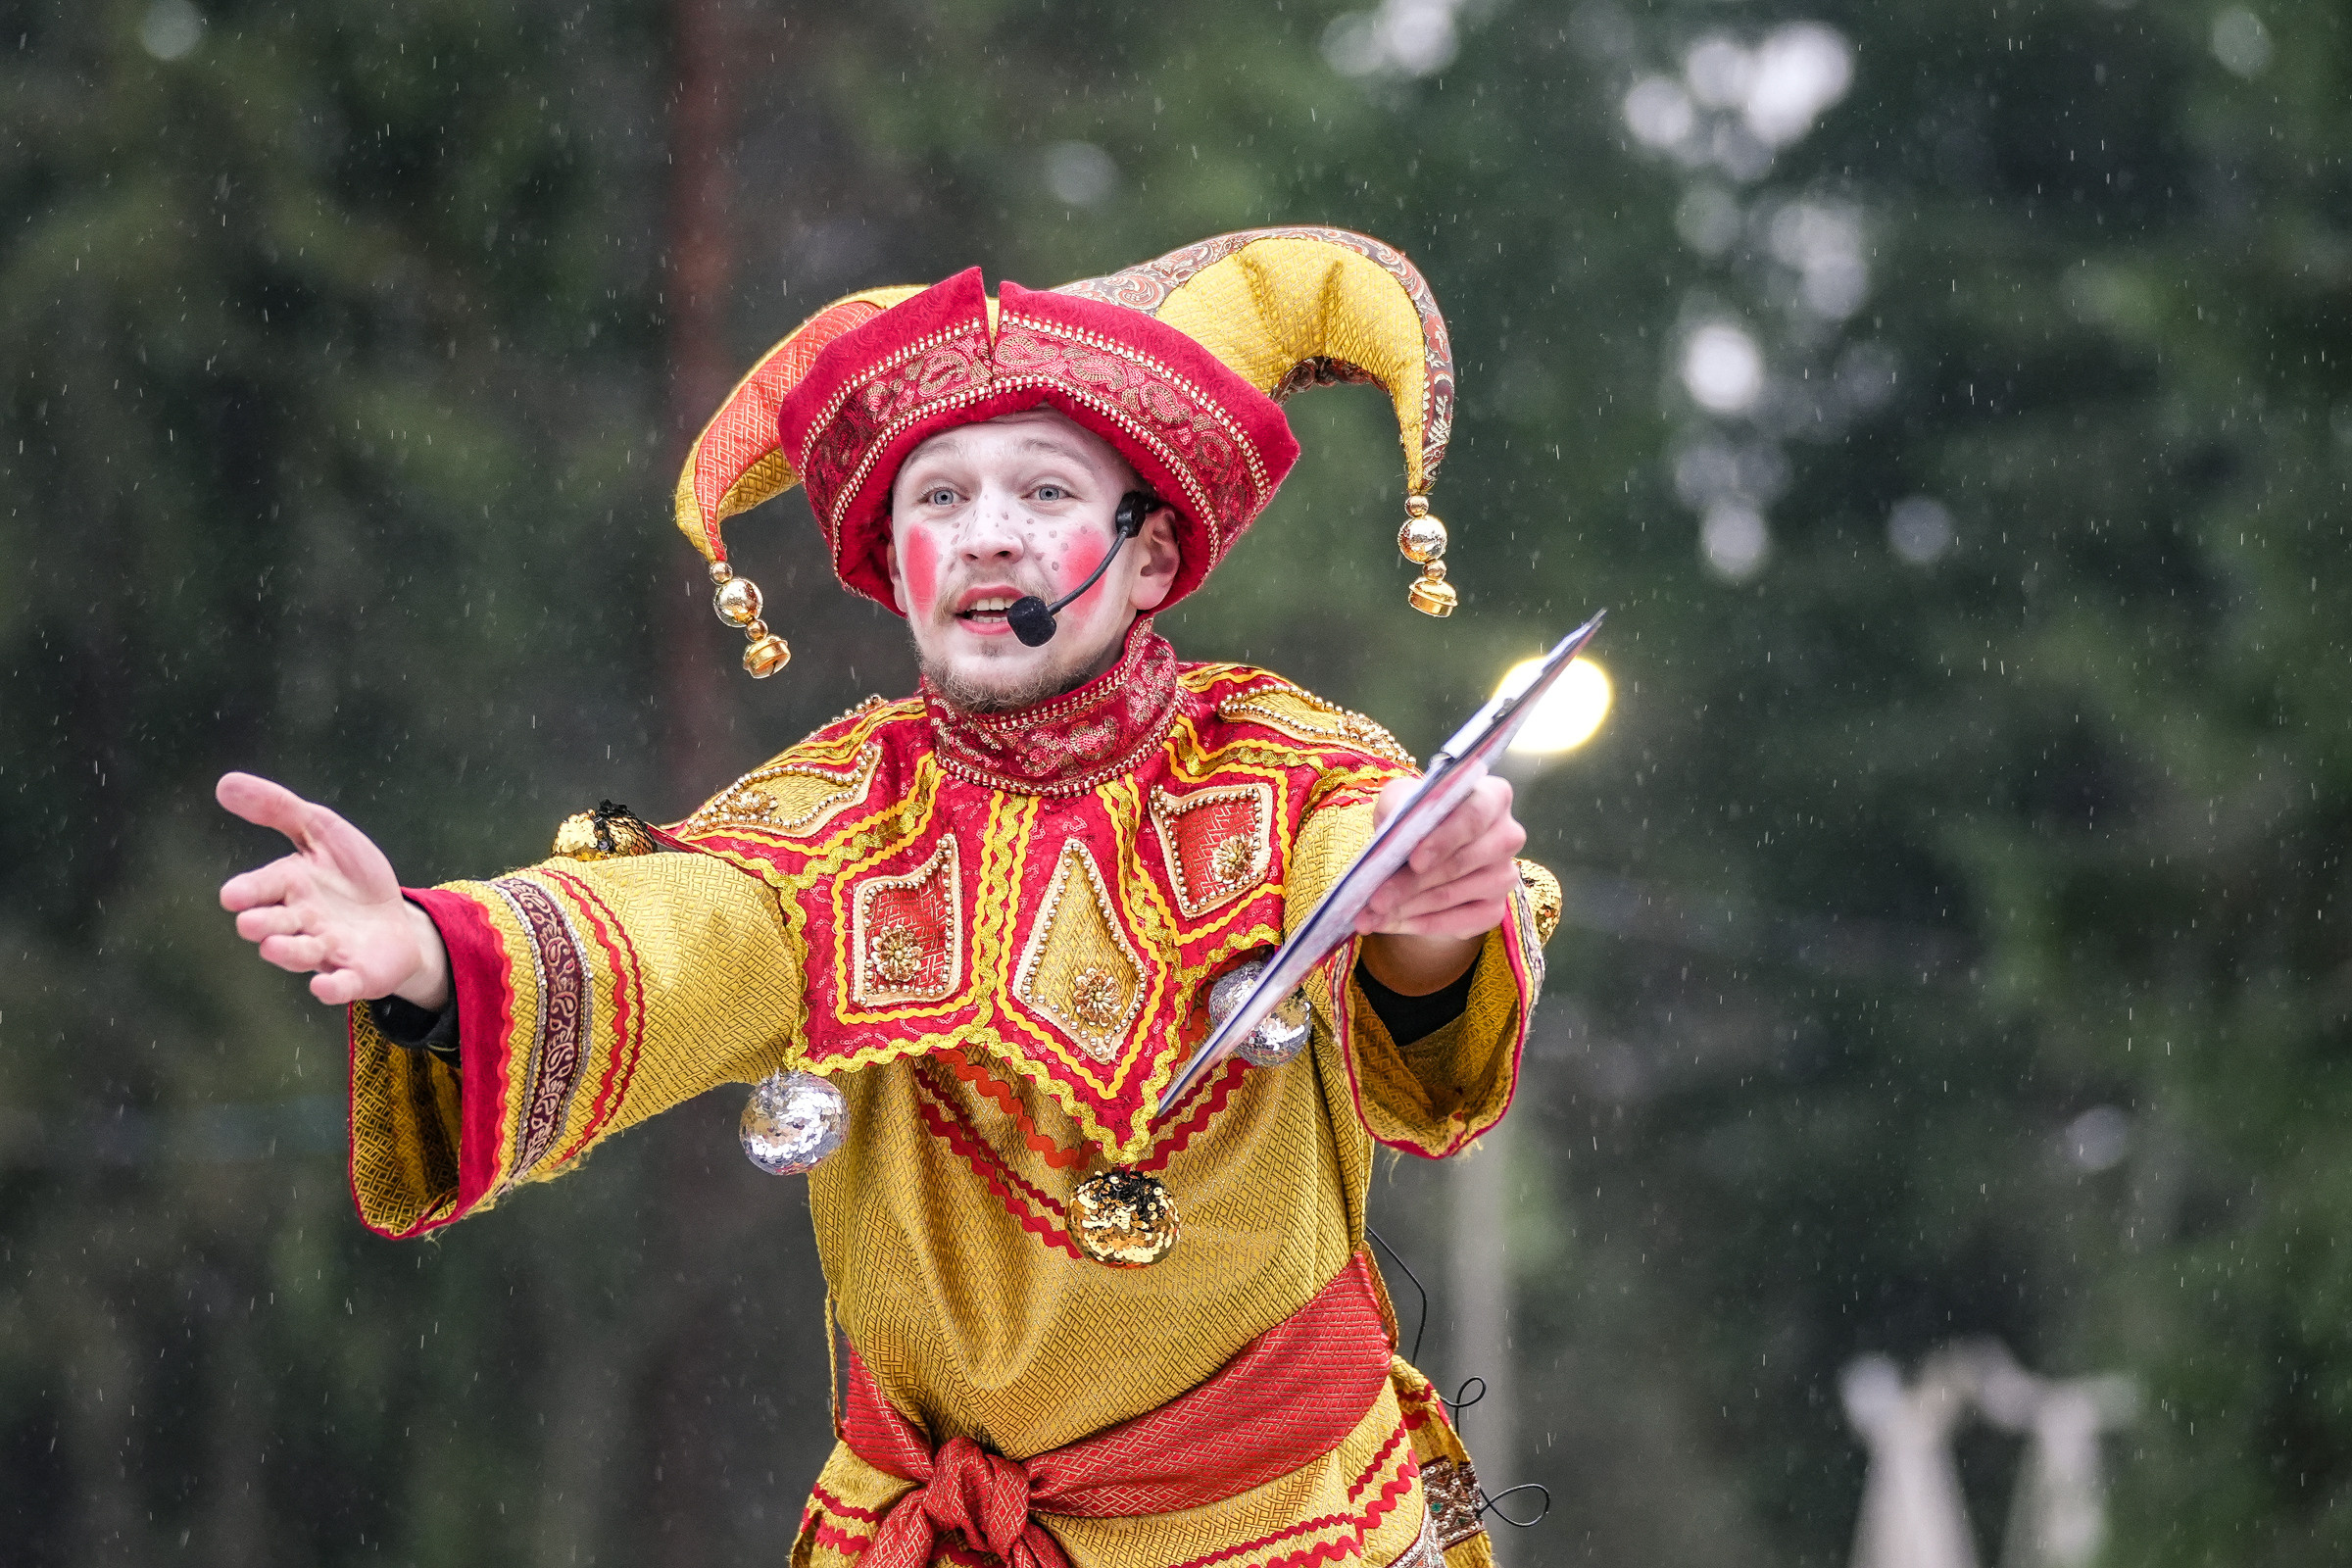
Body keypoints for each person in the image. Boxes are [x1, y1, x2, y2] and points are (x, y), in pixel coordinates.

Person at [217, 228, 1560, 1568]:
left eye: (1044, 493)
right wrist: (433, 956)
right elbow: (678, 931)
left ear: (1150, 559)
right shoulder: (826, 824)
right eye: (940, 498)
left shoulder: (1280, 763)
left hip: (1292, 1534)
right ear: (890, 559)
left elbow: (1369, 874)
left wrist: (1431, 899)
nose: (987, 536)